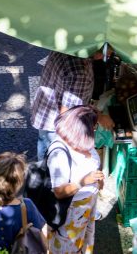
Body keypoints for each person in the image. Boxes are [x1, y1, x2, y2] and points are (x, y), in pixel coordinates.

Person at [47, 106, 104, 254]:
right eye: (93, 127)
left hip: (86, 208)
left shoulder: (83, 142)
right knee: (67, 247)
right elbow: (59, 191)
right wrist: (84, 181)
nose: (94, 130)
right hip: (70, 211)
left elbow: (91, 165)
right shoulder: (59, 153)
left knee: (82, 242)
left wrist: (97, 180)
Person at [31, 53, 94, 160]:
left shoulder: (65, 48)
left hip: (43, 112)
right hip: (55, 125)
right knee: (55, 158)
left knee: (43, 144)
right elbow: (68, 116)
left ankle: (42, 168)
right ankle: (47, 173)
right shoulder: (79, 73)